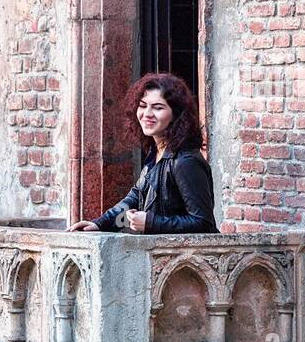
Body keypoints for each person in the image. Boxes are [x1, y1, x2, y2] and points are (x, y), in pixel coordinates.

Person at [70, 72, 218, 235]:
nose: (147, 114)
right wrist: (99, 224)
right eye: (142, 105)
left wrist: (152, 223)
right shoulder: (156, 152)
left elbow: (203, 223)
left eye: (158, 107)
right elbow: (134, 200)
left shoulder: (185, 161)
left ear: (176, 114)